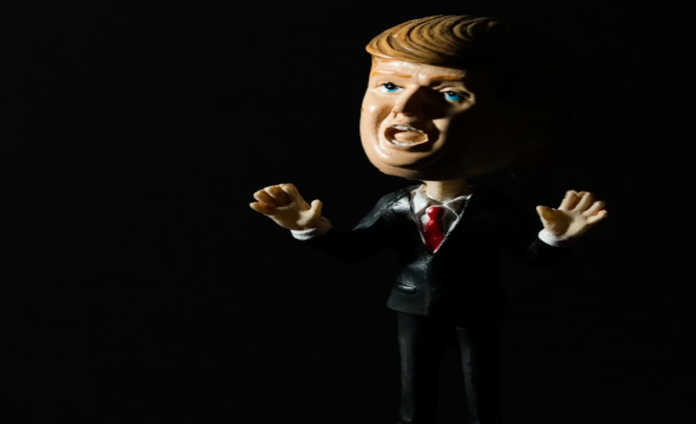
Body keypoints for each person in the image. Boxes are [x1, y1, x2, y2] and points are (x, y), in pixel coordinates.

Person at [249, 15, 608, 424]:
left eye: (451, 94)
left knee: (482, 391)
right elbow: (354, 249)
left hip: (477, 310)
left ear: (521, 128)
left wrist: (556, 238)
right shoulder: (395, 205)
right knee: (415, 392)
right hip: (412, 308)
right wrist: (307, 226)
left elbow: (532, 257)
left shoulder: (496, 208)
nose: (405, 109)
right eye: (389, 85)